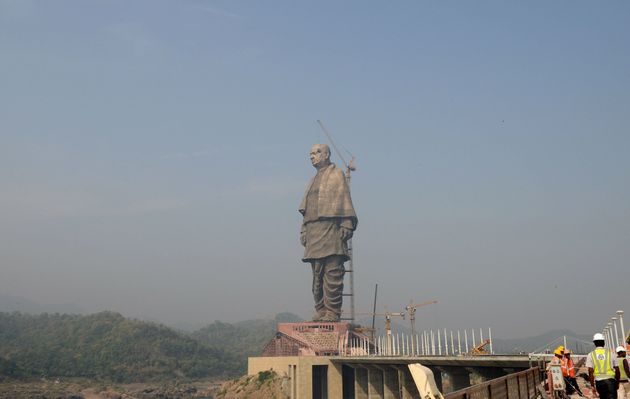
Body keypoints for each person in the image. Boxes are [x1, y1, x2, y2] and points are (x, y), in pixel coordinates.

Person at [299, 144, 357, 322]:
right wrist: (304, 229)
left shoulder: (336, 174)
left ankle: (332, 311)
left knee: (332, 272)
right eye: (310, 154)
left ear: (326, 154)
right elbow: (306, 208)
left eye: (316, 153)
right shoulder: (312, 180)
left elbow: (344, 198)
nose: (312, 156)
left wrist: (346, 222)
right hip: (313, 231)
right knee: (317, 277)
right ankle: (321, 309)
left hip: (331, 228)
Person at [587, 333, 620, 399]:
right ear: (604, 342)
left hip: (599, 383)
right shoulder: (611, 353)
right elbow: (617, 370)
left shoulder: (591, 355)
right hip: (611, 381)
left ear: (594, 343)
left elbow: (590, 371)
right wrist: (617, 382)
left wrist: (592, 385)